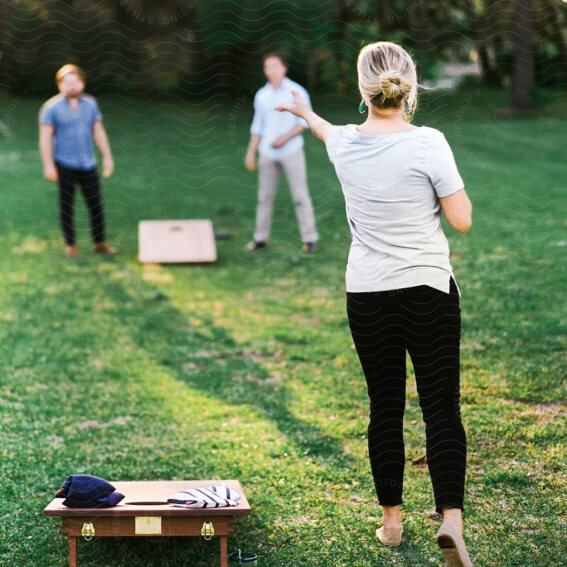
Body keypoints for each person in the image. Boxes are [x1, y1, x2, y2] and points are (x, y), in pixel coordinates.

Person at [276, 41, 474, 567]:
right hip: (428, 289)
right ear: (408, 88)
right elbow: (462, 219)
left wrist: (304, 112)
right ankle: (450, 519)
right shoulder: (429, 143)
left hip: (366, 293)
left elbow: (326, 130)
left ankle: (391, 521)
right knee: (441, 407)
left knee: (385, 407)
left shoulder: (344, 143)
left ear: (363, 91)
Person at [39, 64, 117, 258]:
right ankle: (70, 244)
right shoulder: (51, 108)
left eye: (75, 82)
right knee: (67, 205)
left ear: (82, 83)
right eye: (67, 83)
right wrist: (48, 165)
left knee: (96, 204)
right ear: (60, 85)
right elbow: (45, 138)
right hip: (64, 163)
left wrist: (107, 156)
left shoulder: (91, 104)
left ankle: (99, 242)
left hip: (88, 163)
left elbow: (98, 131)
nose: (72, 86)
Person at [245, 53, 319, 252]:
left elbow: (305, 121)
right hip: (267, 153)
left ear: (284, 68)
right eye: (267, 67)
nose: (272, 70)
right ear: (265, 71)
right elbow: (258, 125)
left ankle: (310, 239)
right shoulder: (262, 95)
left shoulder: (296, 91)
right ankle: (260, 239)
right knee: (264, 197)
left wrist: (284, 139)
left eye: (275, 65)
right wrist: (251, 152)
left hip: (291, 151)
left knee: (299, 196)